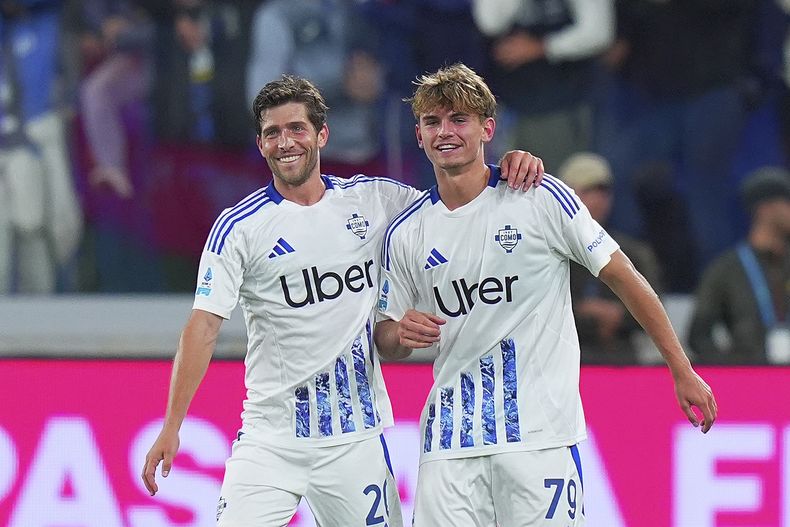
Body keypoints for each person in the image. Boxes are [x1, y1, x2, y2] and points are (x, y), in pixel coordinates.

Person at [141, 74, 544, 526]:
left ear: (321, 135)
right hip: (271, 440)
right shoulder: (240, 227)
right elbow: (203, 326)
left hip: (356, 439)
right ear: (260, 144)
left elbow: (456, 203)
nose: (285, 142)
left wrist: (506, 165)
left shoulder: (375, 201)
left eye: (296, 128)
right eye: (272, 133)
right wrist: (172, 425)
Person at [374, 63, 717, 525]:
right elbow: (386, 339)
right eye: (432, 122)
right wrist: (398, 333)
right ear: (418, 135)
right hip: (451, 441)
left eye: (459, 120)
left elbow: (624, 275)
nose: (445, 132)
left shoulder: (538, 196)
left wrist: (681, 367)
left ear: (487, 129)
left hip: (541, 436)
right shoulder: (406, 231)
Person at [558, 152, 662, 364]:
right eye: (587, 191)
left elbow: (655, 307)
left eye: (603, 191)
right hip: (563, 361)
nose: (597, 200)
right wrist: (583, 311)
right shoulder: (551, 252)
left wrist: (620, 316)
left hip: (622, 360)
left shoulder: (632, 253)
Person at [689, 166, 790, 365]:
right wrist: (732, 367)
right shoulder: (727, 270)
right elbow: (698, 336)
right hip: (751, 379)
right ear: (765, 208)